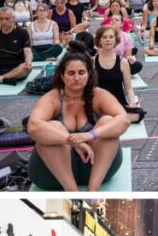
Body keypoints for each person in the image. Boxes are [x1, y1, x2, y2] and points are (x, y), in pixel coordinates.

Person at [26, 44, 129, 191]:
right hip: (53, 174)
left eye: (81, 73)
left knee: (108, 122)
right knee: (53, 127)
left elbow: (124, 120)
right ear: (62, 75)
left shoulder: (99, 95)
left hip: (95, 167)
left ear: (89, 74)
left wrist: (90, 135)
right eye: (71, 73)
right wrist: (71, 140)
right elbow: (33, 127)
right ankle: (72, 192)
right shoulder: (52, 98)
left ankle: (93, 191)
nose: (76, 78)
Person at [94, 26, 142, 123]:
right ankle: (115, 120)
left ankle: (111, 119)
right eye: (104, 37)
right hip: (99, 104)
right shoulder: (92, 62)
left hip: (118, 104)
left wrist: (132, 102)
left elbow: (128, 88)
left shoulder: (123, 62)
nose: (108, 40)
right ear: (99, 41)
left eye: (111, 37)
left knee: (138, 114)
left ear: (116, 40)